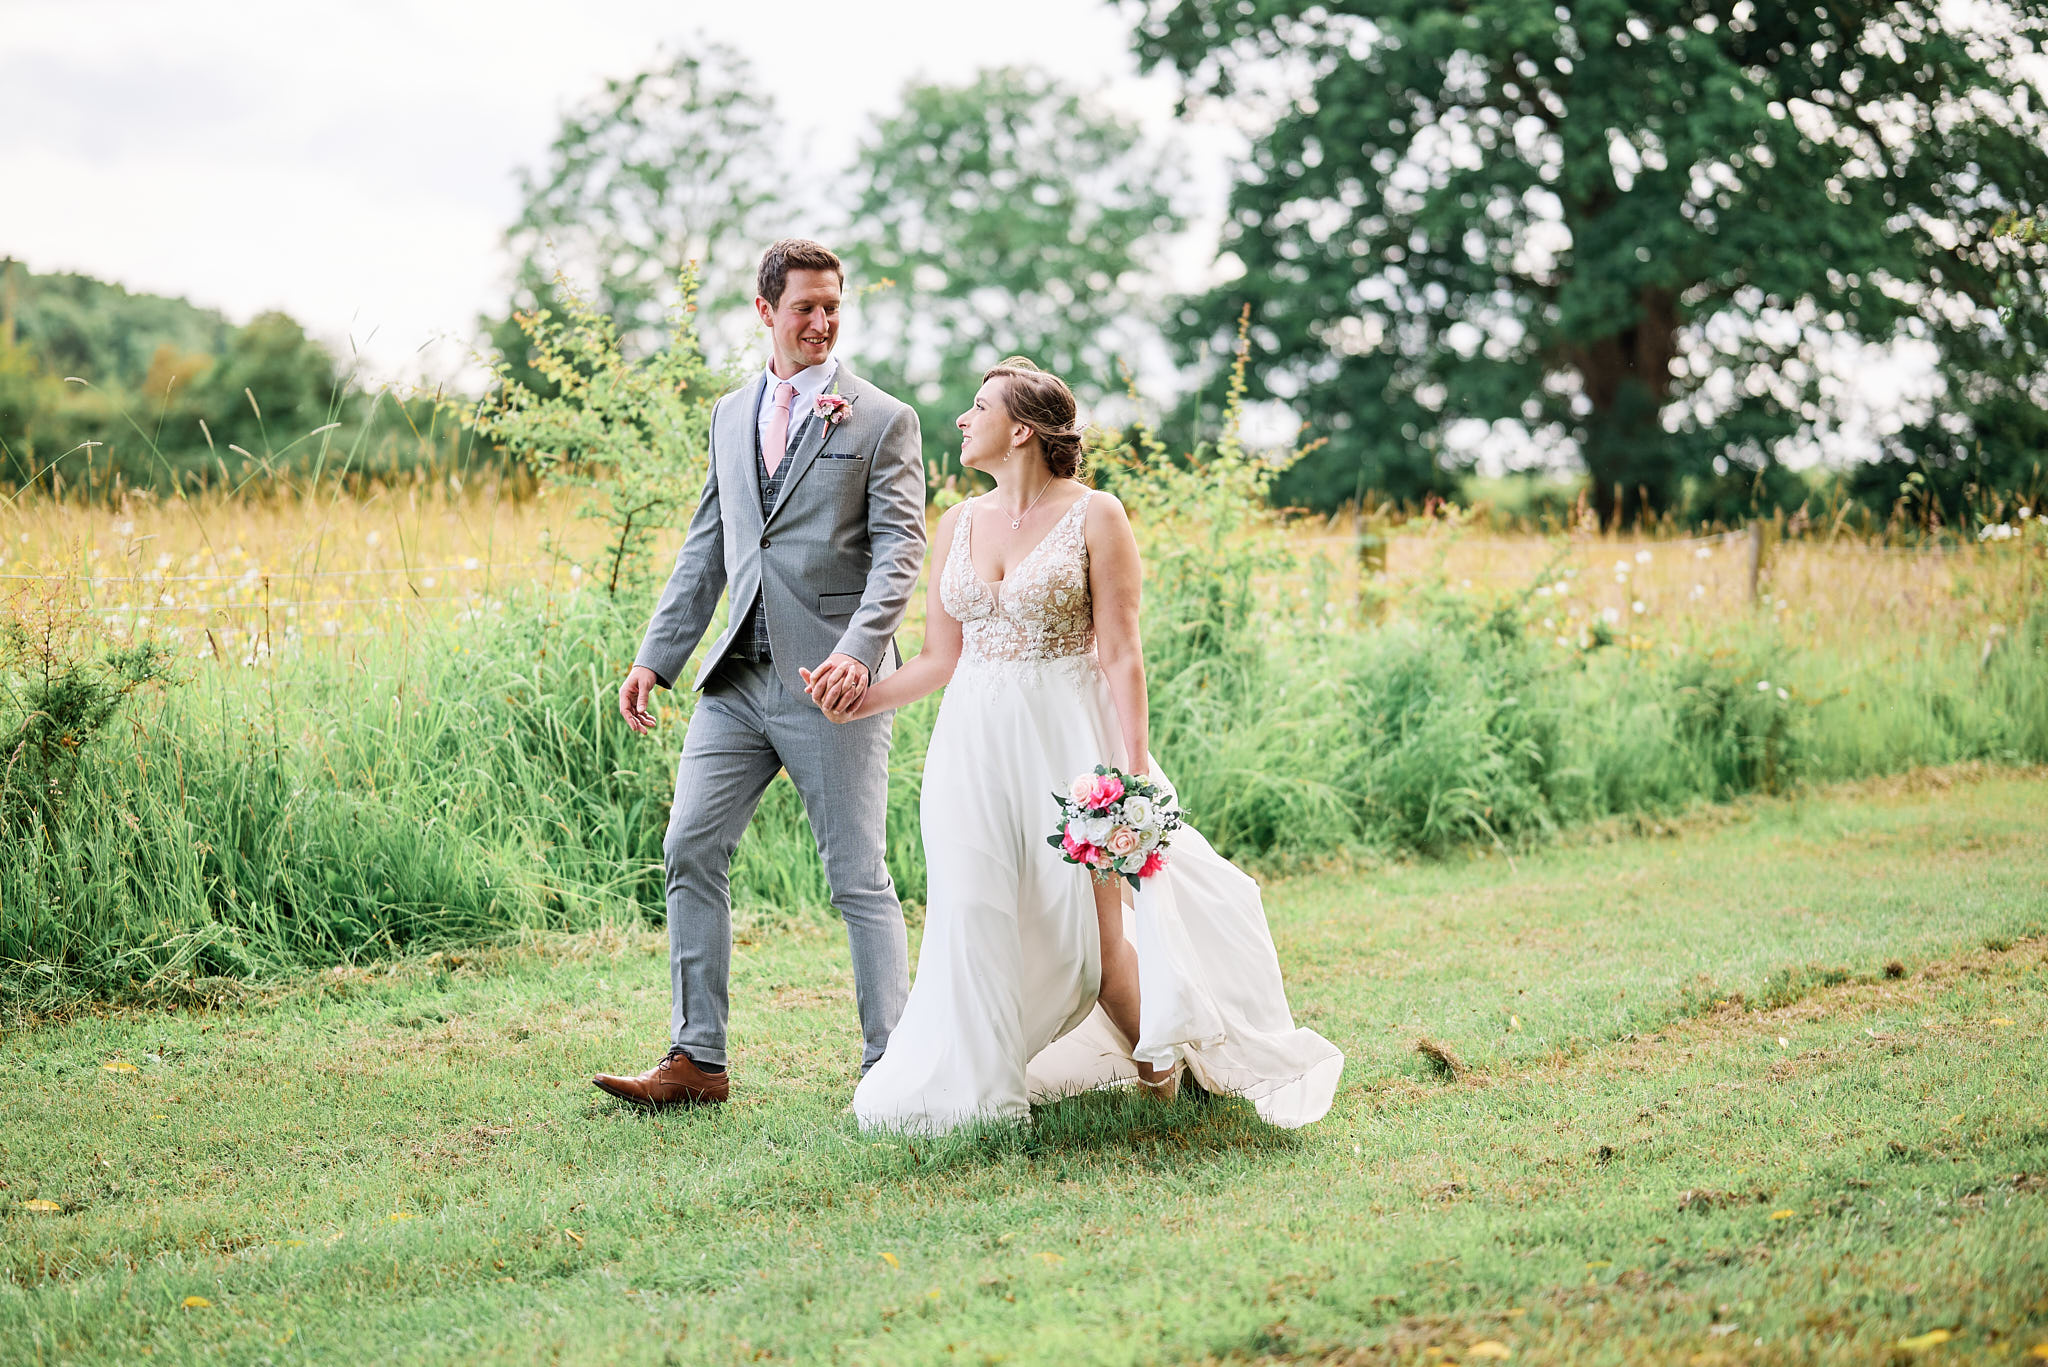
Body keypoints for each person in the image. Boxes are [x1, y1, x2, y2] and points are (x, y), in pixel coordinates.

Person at [816, 357, 1343, 1134]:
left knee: (1095, 944)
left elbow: (1121, 653)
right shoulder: (956, 523)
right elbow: (938, 659)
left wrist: (1132, 774)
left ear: (1021, 428)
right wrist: (860, 696)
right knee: (972, 911)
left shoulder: (1097, 514)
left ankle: (1160, 1072)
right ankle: (987, 1097)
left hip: (1071, 747)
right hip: (972, 750)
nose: (962, 419)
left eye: (978, 405)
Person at [593, 239, 926, 1108]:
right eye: (805, 307)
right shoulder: (728, 414)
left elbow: (900, 552)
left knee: (857, 874)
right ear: (765, 311)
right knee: (688, 846)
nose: (821, 322)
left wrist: (859, 650)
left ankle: (889, 1069)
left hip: (833, 687)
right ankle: (697, 1059)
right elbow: (710, 544)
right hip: (735, 680)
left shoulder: (882, 418)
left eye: (833, 307)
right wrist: (655, 657)